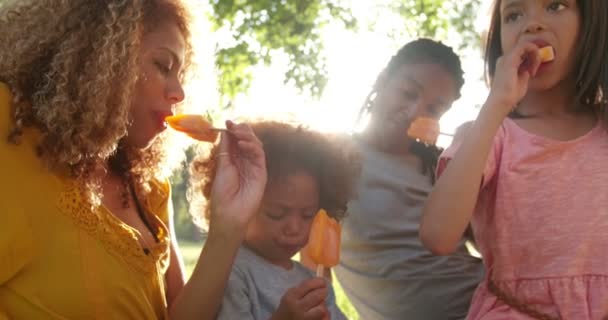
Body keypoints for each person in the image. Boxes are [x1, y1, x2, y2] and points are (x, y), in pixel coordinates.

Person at [0, 1, 267, 319]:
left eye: (181, 74)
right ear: (100, 57)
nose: (179, 93)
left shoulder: (150, 185)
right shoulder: (11, 133)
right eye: (163, 66)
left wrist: (229, 224)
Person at [420, 0, 608, 319]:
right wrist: (497, 104)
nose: (532, 24)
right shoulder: (490, 134)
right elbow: (437, 235)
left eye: (556, 6)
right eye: (514, 15)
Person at [332, 38, 484, 320]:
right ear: (381, 81)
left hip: (489, 307)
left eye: (434, 108)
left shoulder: (443, 165)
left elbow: (494, 242)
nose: (415, 111)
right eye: (407, 92)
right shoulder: (330, 159)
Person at [189, 121, 359, 320]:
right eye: (276, 214)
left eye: (307, 215)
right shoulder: (230, 274)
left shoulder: (312, 281)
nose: (294, 228)